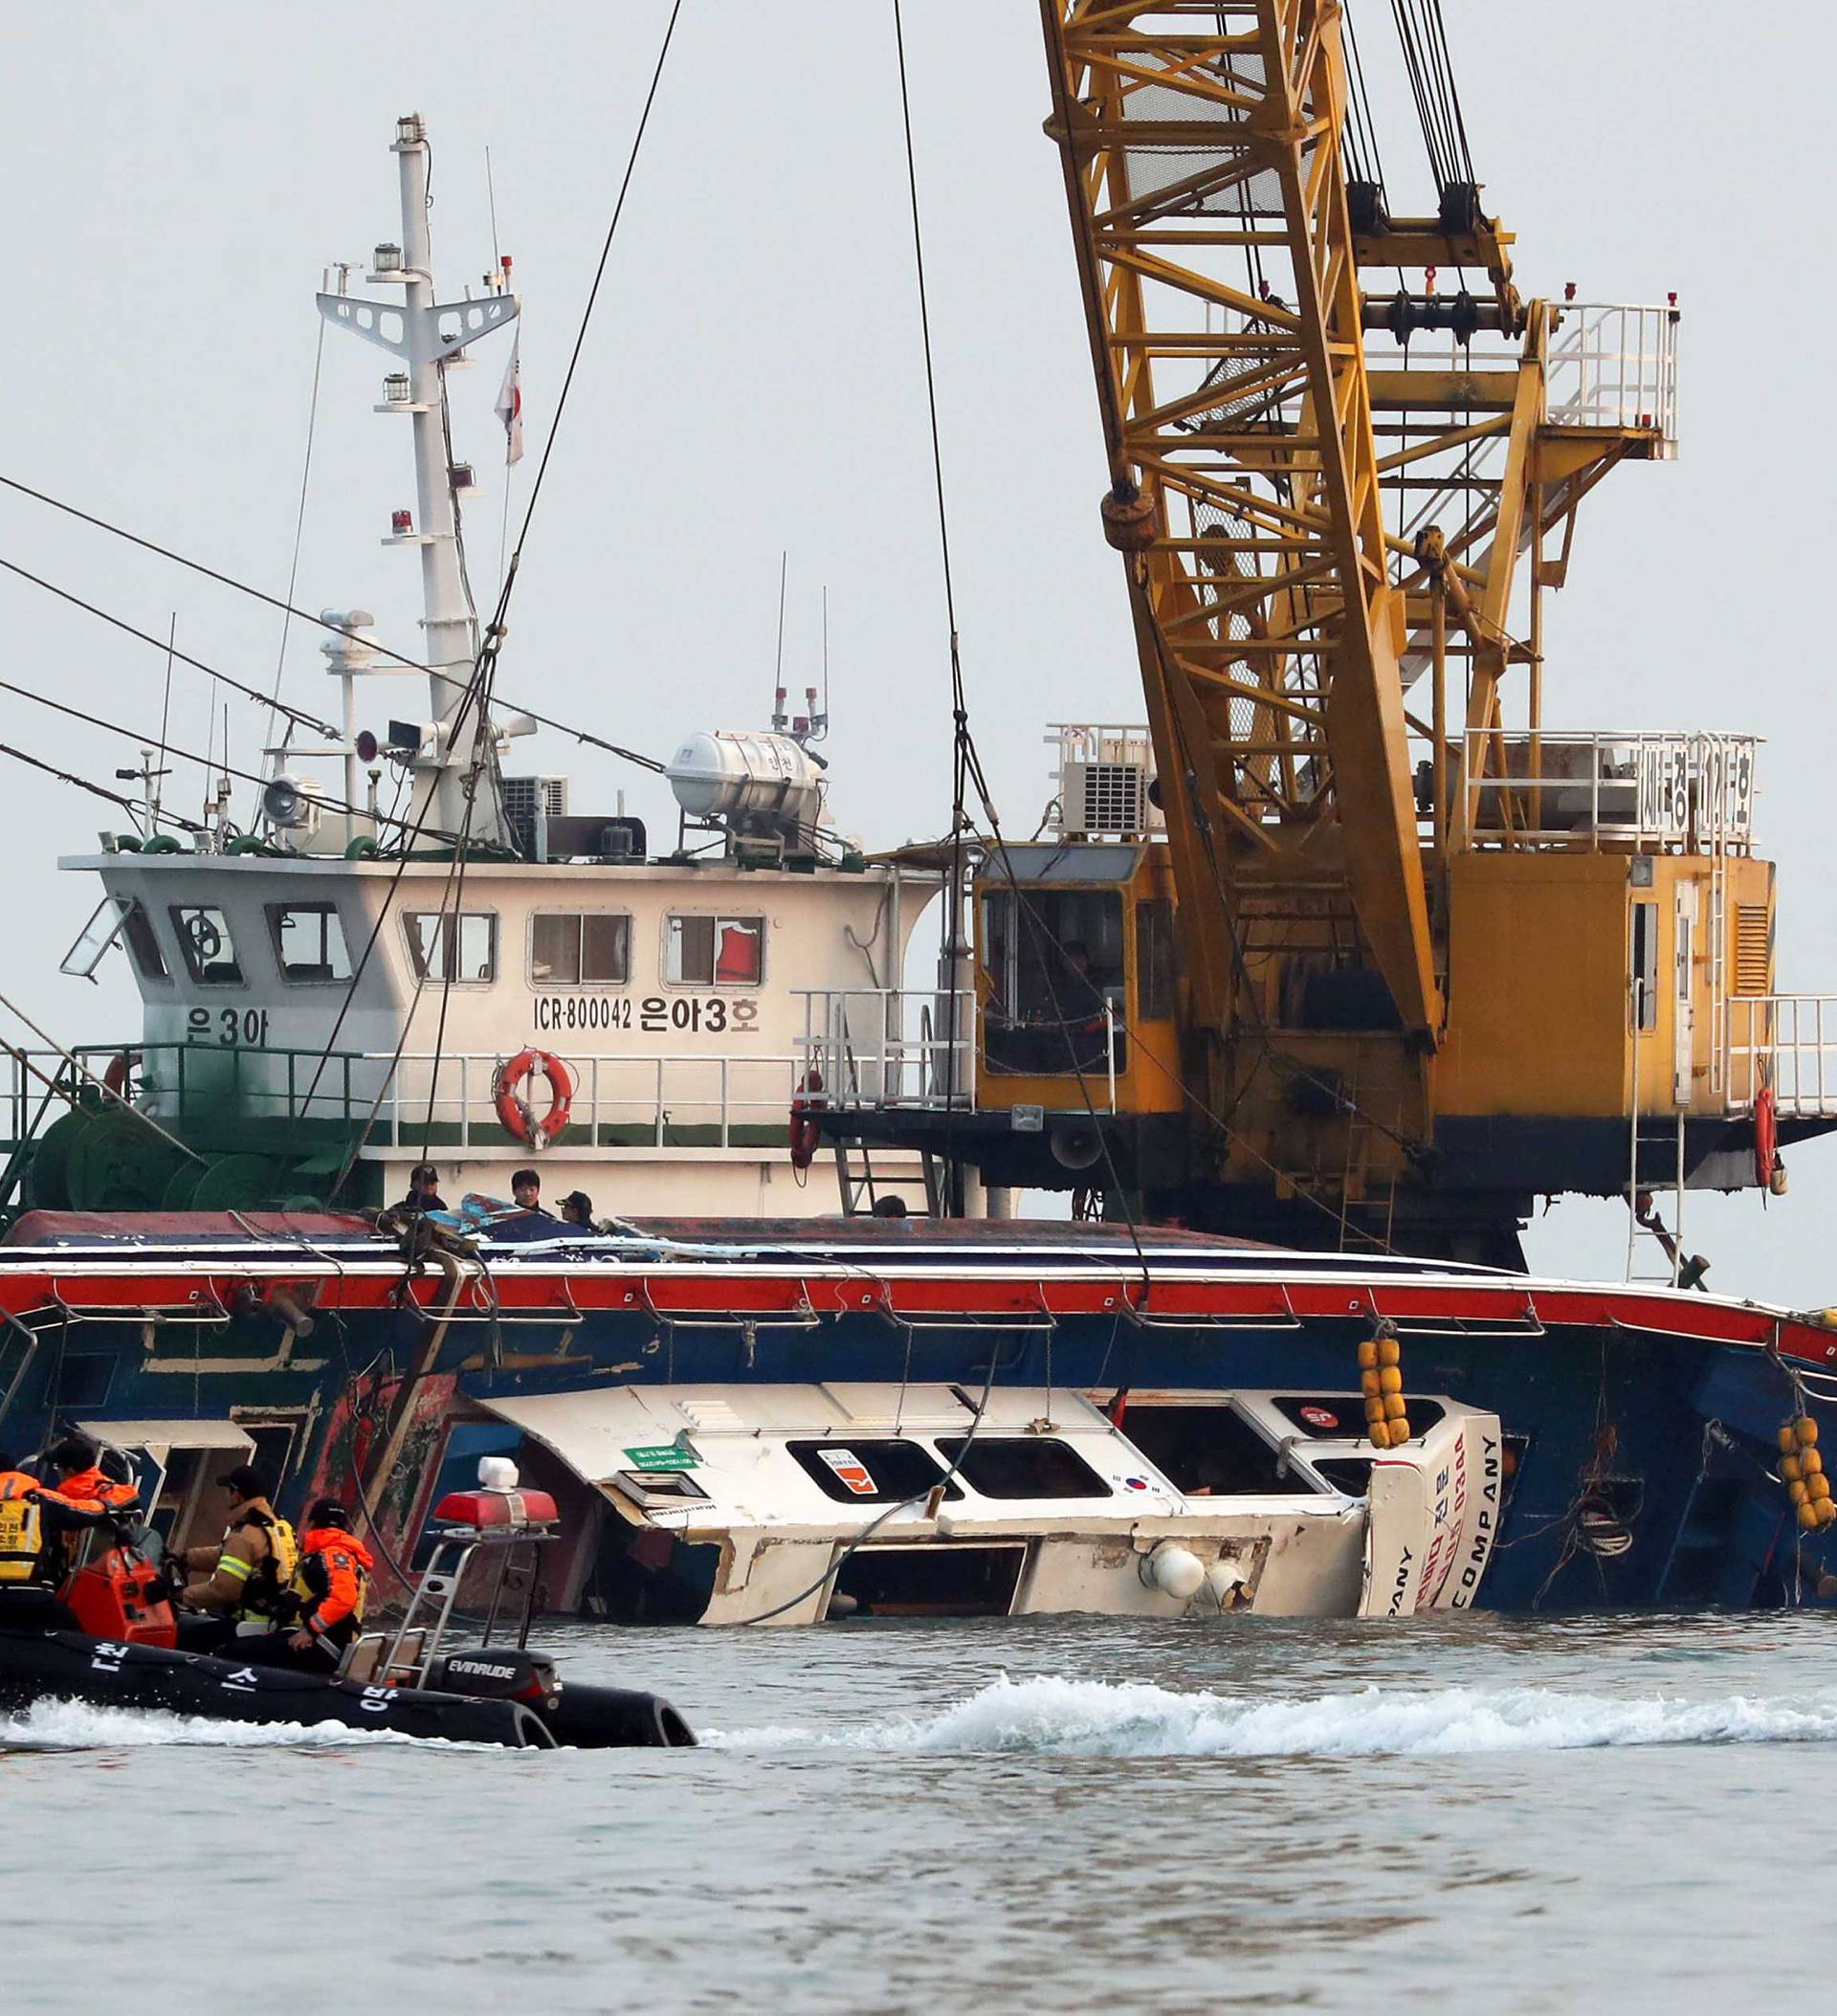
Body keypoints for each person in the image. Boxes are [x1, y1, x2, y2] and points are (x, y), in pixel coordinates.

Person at [172, 1463, 299, 1647]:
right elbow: (229, 1557)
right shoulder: (276, 1525)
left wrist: (179, 1595)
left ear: (237, 1496)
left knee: (184, 1636)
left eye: (228, 1491)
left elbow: (223, 1590)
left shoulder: (245, 1535)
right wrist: (186, 1558)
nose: (226, 1497)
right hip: (272, 1620)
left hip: (248, 1624)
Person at [240, 1498, 373, 1670]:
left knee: (232, 1652)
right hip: (320, 1640)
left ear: (312, 1522)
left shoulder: (332, 1555)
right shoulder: (335, 1554)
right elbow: (309, 1598)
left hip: (321, 1645)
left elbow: (344, 1598)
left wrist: (311, 1630)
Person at [490, 1167, 565, 1244]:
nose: (527, 1194)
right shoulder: (502, 1220)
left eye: (532, 1189)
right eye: (523, 1189)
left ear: (538, 1191)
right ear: (514, 1191)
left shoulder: (549, 1220)